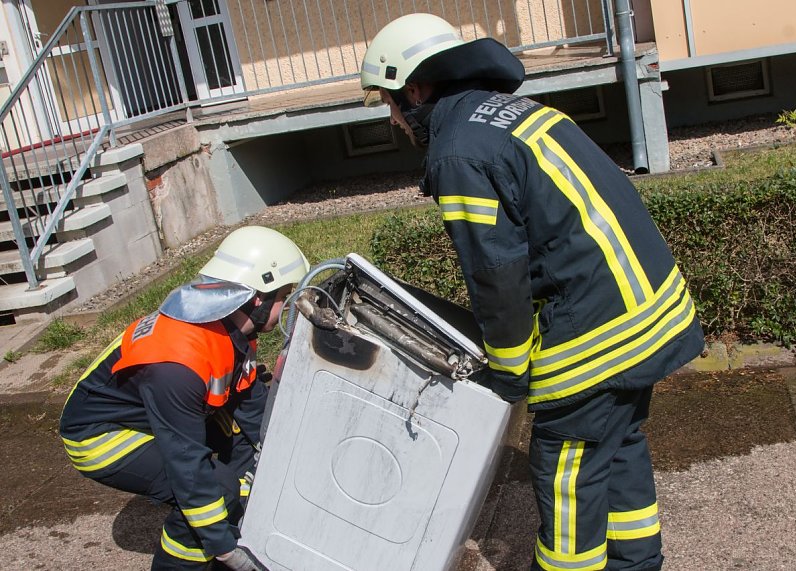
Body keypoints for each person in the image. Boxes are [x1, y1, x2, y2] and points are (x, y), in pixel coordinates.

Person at [360, 14, 704, 571]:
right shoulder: (518, 114)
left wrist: (508, 371)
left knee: (565, 469)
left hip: (599, 336)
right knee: (617, 447)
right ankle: (638, 562)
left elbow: (497, 276)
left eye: (390, 103)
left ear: (415, 90)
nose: (394, 119)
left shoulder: (458, 152)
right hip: (651, 312)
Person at [59, 226, 309, 571]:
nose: (289, 305)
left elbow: (250, 400)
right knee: (216, 492)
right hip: (100, 437)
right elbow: (186, 462)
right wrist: (224, 548)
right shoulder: (176, 364)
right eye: (286, 294)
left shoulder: (230, 327)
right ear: (257, 298)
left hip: (156, 414)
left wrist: (288, 453)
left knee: (246, 465)